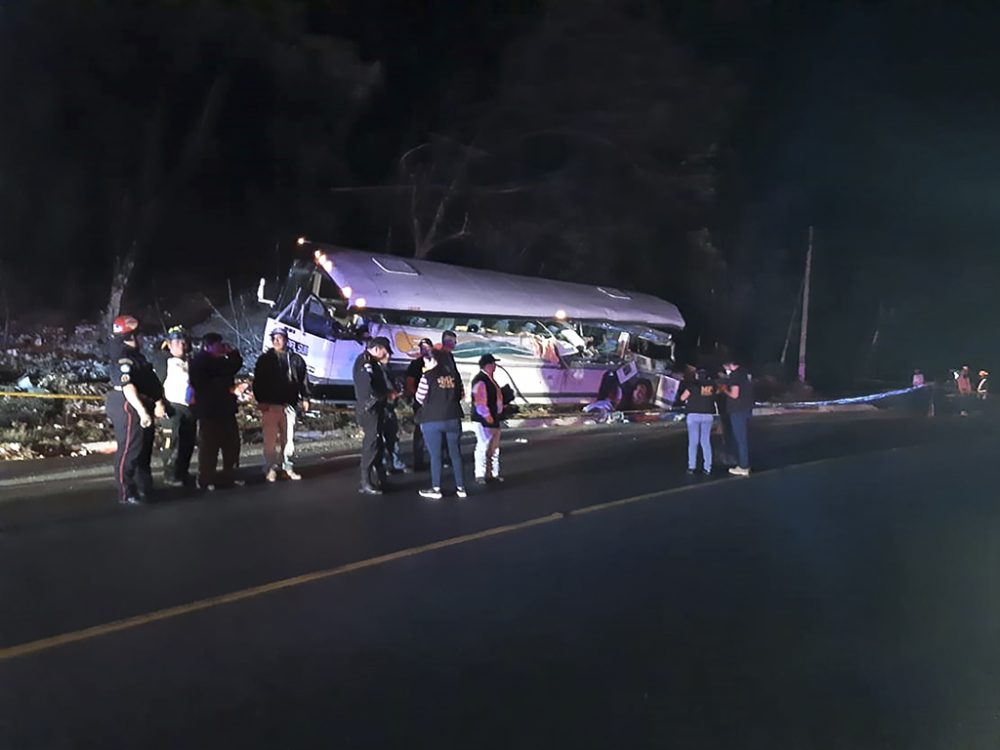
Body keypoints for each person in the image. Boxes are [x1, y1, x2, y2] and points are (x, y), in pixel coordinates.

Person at [105, 314, 167, 505]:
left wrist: (157, 401)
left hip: (141, 401)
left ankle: (144, 487)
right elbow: (127, 386)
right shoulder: (123, 356)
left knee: (144, 448)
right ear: (131, 335)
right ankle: (127, 491)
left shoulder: (135, 355)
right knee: (130, 449)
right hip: (129, 402)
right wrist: (141, 411)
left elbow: (149, 380)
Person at [253, 327, 310, 483]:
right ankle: (270, 467)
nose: (276, 341)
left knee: (288, 438)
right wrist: (261, 401)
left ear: (286, 339)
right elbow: (258, 382)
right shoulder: (265, 359)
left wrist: (305, 397)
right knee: (270, 439)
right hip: (271, 404)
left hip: (289, 403)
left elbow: (303, 379)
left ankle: (288, 466)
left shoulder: (296, 359)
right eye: (274, 338)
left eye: (279, 338)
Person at [189, 333, 244, 490]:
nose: (221, 347)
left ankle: (230, 475)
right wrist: (230, 389)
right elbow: (205, 386)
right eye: (218, 344)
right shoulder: (200, 362)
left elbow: (234, 365)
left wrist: (232, 352)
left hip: (226, 410)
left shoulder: (220, 361)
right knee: (209, 447)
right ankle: (206, 478)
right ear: (209, 346)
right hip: (209, 411)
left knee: (231, 445)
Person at [414, 349, 467, 499]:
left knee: (435, 456)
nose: (425, 363)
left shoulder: (428, 376)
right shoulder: (455, 376)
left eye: (427, 360)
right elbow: (461, 395)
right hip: (453, 417)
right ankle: (461, 487)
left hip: (432, 419)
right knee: (455, 454)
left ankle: (436, 488)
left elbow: (419, 397)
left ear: (434, 360)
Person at [154, 325, 197, 487]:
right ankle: (170, 474)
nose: (180, 345)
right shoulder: (163, 362)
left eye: (182, 342)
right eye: (176, 342)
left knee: (188, 442)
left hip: (189, 408)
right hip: (171, 407)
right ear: (169, 345)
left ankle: (182, 472)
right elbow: (156, 385)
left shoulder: (190, 362)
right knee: (171, 442)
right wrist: (159, 404)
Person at [352, 336, 392, 495]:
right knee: (371, 442)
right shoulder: (365, 362)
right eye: (386, 351)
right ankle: (365, 481)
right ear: (377, 349)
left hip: (377, 406)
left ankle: (380, 477)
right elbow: (367, 387)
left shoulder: (374, 362)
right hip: (370, 408)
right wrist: (379, 396)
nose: (388, 355)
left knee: (378, 442)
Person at [471, 353, 504, 485]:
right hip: (484, 419)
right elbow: (479, 401)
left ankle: (492, 473)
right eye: (493, 363)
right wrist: (487, 415)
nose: (495, 366)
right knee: (483, 446)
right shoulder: (481, 380)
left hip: (493, 417)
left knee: (494, 448)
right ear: (488, 365)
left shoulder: (489, 379)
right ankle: (480, 474)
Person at [678, 368, 716, 476]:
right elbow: (715, 397)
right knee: (706, 442)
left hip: (693, 415)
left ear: (697, 376)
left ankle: (692, 467)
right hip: (708, 415)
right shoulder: (711, 386)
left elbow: (682, 397)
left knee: (693, 442)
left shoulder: (693, 385)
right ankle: (707, 467)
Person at [719, 357, 753, 476]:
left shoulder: (735, 376)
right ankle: (743, 463)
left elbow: (734, 394)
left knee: (740, 439)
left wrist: (724, 390)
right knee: (742, 439)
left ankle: (744, 466)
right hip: (746, 408)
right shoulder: (744, 373)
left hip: (737, 410)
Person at [377, 346, 408, 474]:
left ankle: (396, 463)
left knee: (392, 437)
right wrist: (391, 393)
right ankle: (384, 465)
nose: (388, 357)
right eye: (386, 354)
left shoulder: (388, 369)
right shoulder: (377, 369)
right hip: (381, 407)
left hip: (390, 406)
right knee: (381, 437)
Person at [404, 338, 434, 471]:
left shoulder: (436, 363)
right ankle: (419, 462)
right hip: (421, 404)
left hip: (436, 403)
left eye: (427, 347)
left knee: (438, 431)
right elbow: (410, 384)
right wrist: (419, 398)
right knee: (420, 433)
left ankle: (440, 459)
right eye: (423, 348)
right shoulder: (416, 364)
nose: (425, 350)